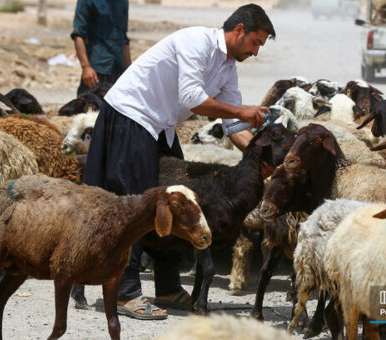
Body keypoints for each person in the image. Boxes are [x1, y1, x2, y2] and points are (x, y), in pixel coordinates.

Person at [71, 3, 276, 320]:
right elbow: (192, 98)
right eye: (256, 43)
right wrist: (240, 112)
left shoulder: (227, 68)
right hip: (131, 114)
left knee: (176, 201)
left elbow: (234, 127)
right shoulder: (196, 42)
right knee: (137, 203)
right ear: (239, 31)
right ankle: (125, 293)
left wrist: (259, 159)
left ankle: (167, 287)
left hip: (159, 125)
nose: (256, 52)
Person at [71, 0, 131, 96]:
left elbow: (123, 38)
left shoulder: (123, 2)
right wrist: (86, 67)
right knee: (90, 107)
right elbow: (78, 34)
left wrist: (129, 70)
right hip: (96, 70)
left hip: (118, 69)